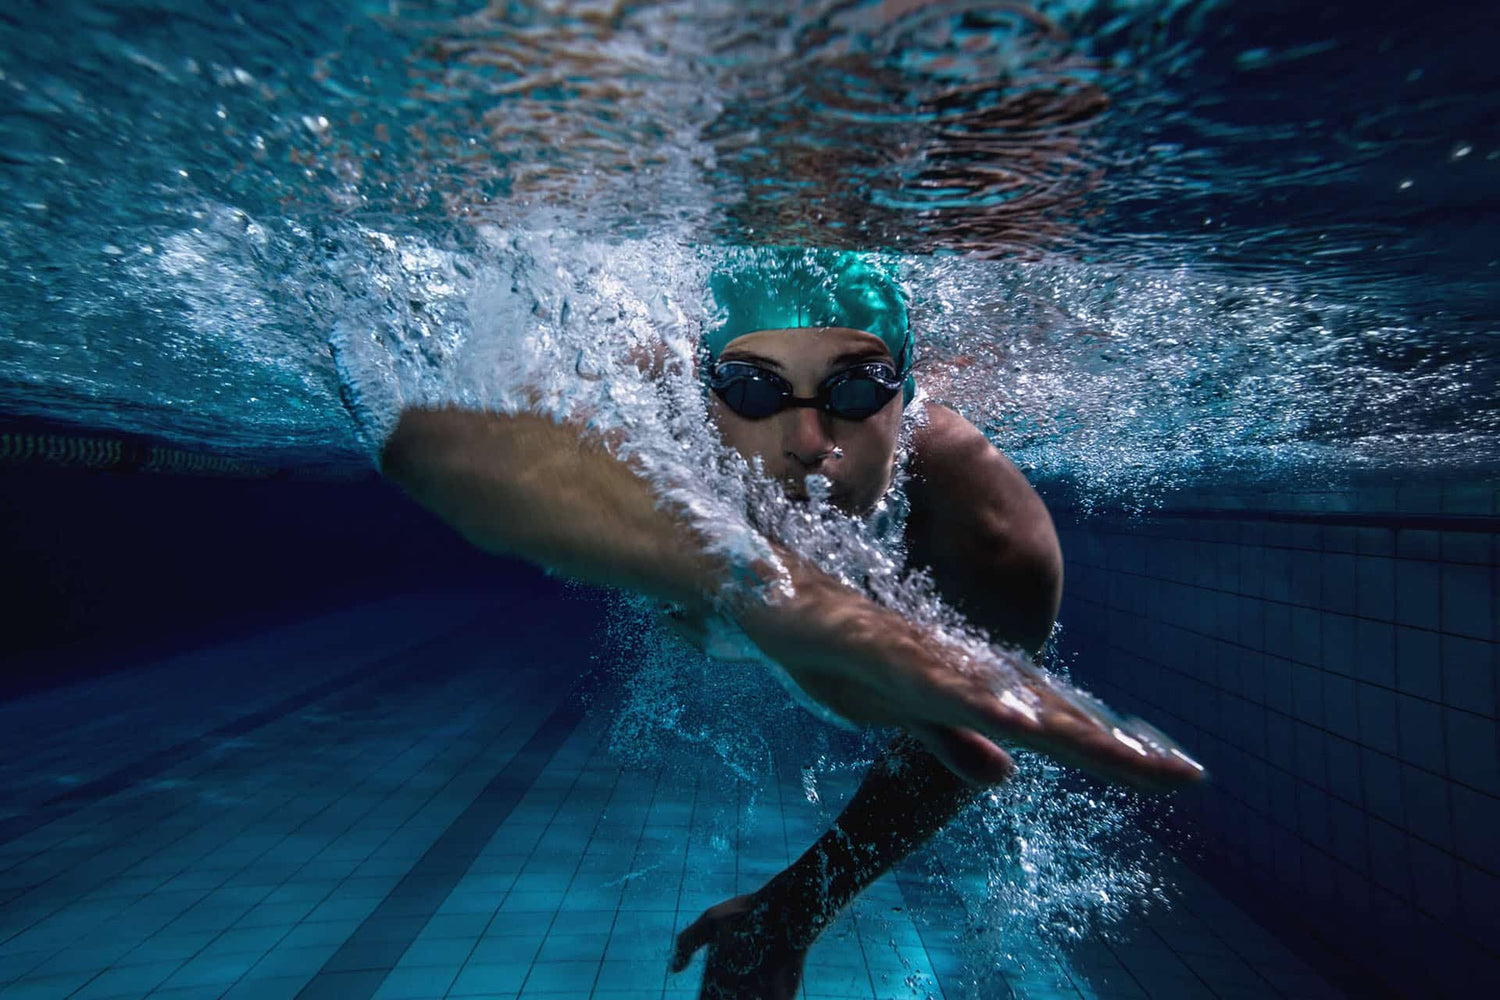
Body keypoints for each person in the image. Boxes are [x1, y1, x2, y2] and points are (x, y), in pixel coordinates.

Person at [380, 248, 1202, 999]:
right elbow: (423, 446)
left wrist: (798, 906)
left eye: (855, 388)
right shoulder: (658, 411)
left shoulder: (991, 539)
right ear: (707, 400)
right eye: (752, 389)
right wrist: (765, 586)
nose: (809, 440)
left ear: (906, 395)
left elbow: (947, 753)